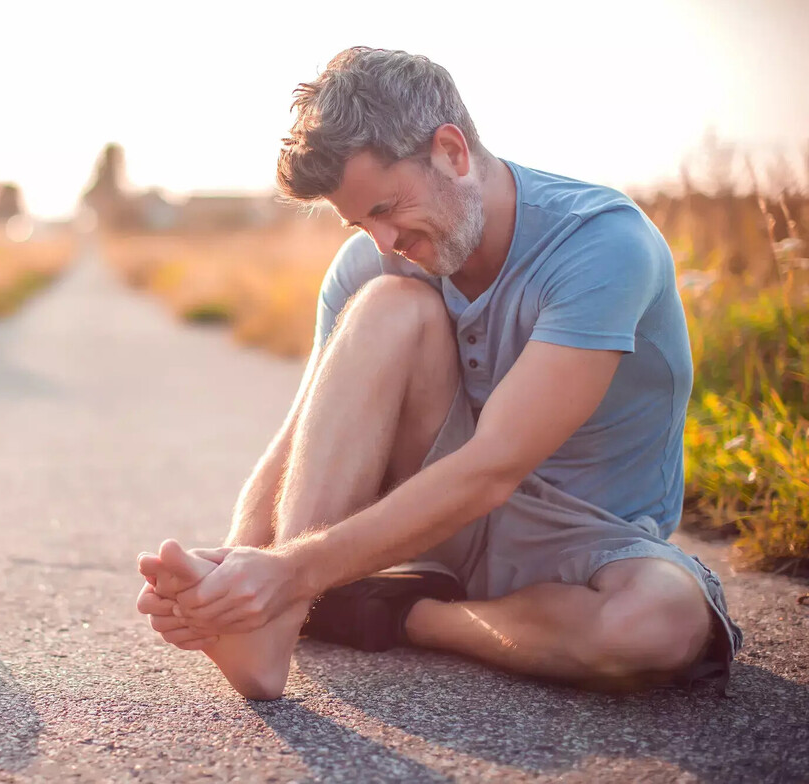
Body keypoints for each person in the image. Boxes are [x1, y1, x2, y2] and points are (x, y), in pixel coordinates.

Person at [135, 46, 742, 701]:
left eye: (388, 207)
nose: (383, 240)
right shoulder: (373, 265)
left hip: (582, 541)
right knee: (389, 304)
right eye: (360, 220)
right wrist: (233, 582)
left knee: (660, 625)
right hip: (429, 527)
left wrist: (291, 571)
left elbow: (493, 467)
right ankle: (276, 626)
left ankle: (396, 613)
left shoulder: (602, 243)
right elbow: (299, 439)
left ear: (452, 152)